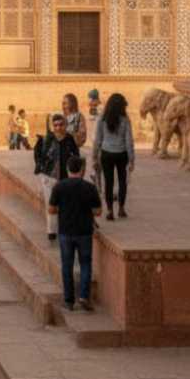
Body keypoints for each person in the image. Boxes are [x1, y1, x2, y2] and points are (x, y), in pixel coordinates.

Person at [48, 155, 101, 311]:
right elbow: (98, 212)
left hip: (65, 232)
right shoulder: (90, 188)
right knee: (85, 264)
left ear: (67, 169)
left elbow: (51, 210)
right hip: (84, 232)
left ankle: (69, 300)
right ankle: (84, 296)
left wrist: (63, 209)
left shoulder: (59, 186)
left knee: (67, 266)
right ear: (82, 170)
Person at [34, 114, 81, 243]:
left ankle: (65, 228)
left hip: (65, 178)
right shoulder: (47, 139)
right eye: (55, 125)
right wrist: (41, 169)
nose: (58, 128)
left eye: (61, 125)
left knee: (65, 204)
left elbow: (76, 156)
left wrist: (76, 172)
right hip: (49, 176)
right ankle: (51, 231)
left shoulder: (69, 139)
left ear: (65, 125)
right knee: (51, 203)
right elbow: (38, 155)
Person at [93, 92, 135, 220]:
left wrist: (95, 156)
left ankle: (110, 211)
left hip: (106, 153)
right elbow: (129, 140)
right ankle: (121, 208)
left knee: (108, 182)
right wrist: (132, 159)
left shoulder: (102, 118)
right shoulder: (125, 119)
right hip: (122, 154)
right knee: (122, 182)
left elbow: (97, 139)